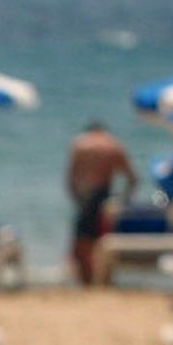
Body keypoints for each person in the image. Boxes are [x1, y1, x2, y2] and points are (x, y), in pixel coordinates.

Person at [65, 121, 135, 285]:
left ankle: (87, 283)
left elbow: (70, 178)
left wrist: (77, 199)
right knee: (103, 241)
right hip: (106, 196)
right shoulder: (113, 145)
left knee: (82, 244)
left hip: (86, 197)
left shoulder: (81, 144)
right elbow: (132, 179)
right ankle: (103, 281)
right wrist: (123, 200)